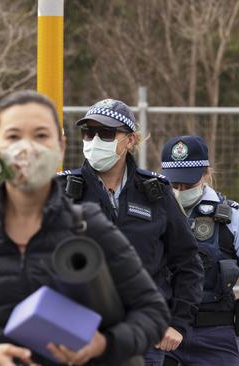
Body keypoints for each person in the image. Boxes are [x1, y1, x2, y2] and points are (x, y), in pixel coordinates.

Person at [0, 90, 170, 365]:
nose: (27, 148)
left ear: (60, 147)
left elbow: (152, 312)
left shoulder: (88, 225)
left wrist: (104, 344)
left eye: (40, 136)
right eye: (13, 136)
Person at [57, 99, 204, 366]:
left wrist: (178, 323)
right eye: (89, 132)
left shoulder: (156, 193)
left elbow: (188, 263)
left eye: (106, 133)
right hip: (78, 334)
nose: (95, 140)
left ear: (130, 140)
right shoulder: (63, 190)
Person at [160, 135, 239, 365]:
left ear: (206, 174)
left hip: (215, 335)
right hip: (164, 332)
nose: (180, 190)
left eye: (188, 184)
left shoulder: (231, 216)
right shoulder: (153, 212)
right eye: (174, 184)